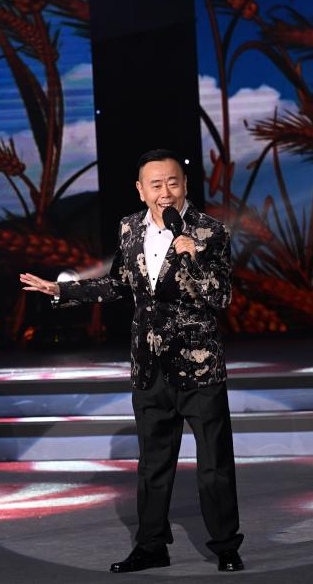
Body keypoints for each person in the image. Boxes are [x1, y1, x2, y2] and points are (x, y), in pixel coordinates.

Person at [20, 149, 245, 573]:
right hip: (149, 365)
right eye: (156, 185)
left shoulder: (209, 231)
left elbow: (221, 297)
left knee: (214, 463)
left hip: (199, 367)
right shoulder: (129, 228)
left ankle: (226, 546)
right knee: (153, 464)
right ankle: (151, 546)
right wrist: (62, 291)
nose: (165, 192)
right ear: (141, 190)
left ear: (185, 185)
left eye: (173, 182)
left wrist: (193, 257)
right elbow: (118, 285)